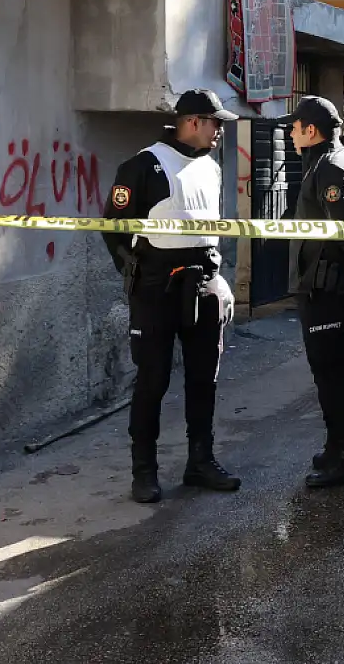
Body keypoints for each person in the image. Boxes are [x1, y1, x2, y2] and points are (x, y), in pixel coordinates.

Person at [103, 89, 242, 504]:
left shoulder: (211, 167)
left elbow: (211, 230)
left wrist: (221, 280)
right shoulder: (144, 166)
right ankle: (143, 471)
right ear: (194, 122)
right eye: (216, 123)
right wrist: (134, 272)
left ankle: (200, 461)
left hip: (203, 285)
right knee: (153, 380)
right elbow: (113, 229)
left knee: (204, 379)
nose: (220, 131)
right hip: (156, 290)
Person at [286, 95, 344, 489]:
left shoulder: (331, 168)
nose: (289, 133)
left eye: (294, 127)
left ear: (311, 130)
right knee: (327, 374)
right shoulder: (327, 162)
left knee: (334, 375)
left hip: (330, 288)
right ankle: (337, 444)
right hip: (323, 285)